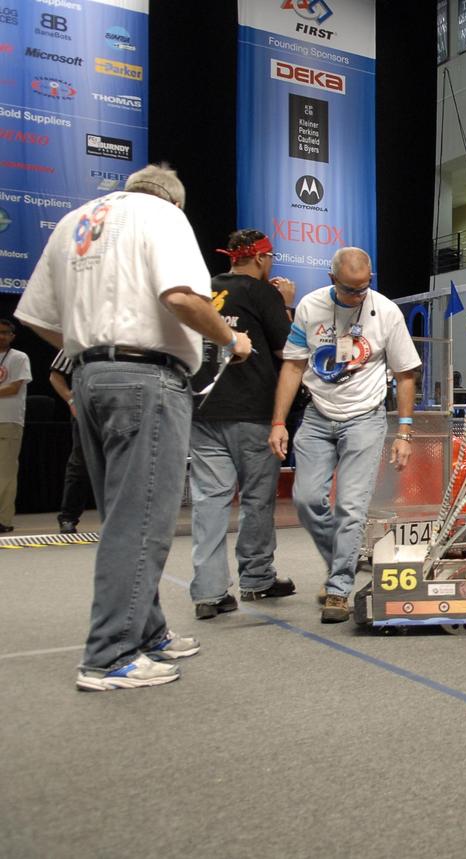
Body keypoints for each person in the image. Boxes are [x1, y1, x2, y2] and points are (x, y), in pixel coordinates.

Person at [17, 163, 252, 690]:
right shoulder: (163, 216)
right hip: (147, 379)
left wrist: (91, 344)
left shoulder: (74, 222)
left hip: (89, 377)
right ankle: (109, 654)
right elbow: (182, 297)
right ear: (175, 200)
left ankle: (148, 633)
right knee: (142, 519)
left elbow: (34, 316)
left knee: (124, 514)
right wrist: (230, 341)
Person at [268, 246, 421, 623]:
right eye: (350, 289)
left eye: (364, 286)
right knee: (305, 500)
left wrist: (404, 431)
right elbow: (292, 366)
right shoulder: (309, 306)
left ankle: (339, 588)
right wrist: (278, 422)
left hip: (365, 419)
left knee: (350, 508)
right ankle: (343, 560)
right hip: (318, 416)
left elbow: (405, 375)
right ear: (331, 280)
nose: (358, 295)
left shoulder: (385, 311)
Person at [187, 229, 297, 621]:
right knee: (256, 500)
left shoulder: (203, 289)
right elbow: (288, 349)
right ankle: (256, 578)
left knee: (208, 502)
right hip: (252, 411)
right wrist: (285, 304)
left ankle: (209, 592)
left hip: (203, 409)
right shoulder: (262, 292)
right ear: (262, 259)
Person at [48, 349, 93, 533]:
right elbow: (55, 375)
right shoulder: (77, 338)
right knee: (80, 463)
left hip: (124, 408)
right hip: (85, 410)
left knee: (126, 464)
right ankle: (68, 517)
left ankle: (126, 517)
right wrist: (71, 400)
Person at [0, 318, 31, 534]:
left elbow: (14, 387)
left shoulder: (19, 357)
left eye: (4, 332)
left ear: (12, 336)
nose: (1, 336)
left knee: (6, 472)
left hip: (9, 420)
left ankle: (4, 519)